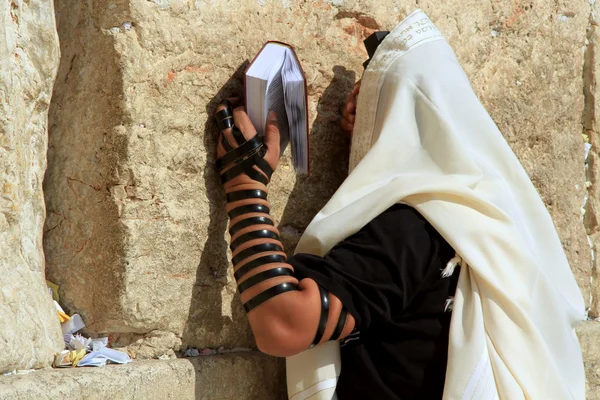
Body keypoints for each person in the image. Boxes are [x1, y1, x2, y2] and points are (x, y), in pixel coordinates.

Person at [213, 10, 586, 400]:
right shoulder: (493, 219)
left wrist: (245, 187)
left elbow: (283, 325)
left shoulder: (409, 230)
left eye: (373, 100)